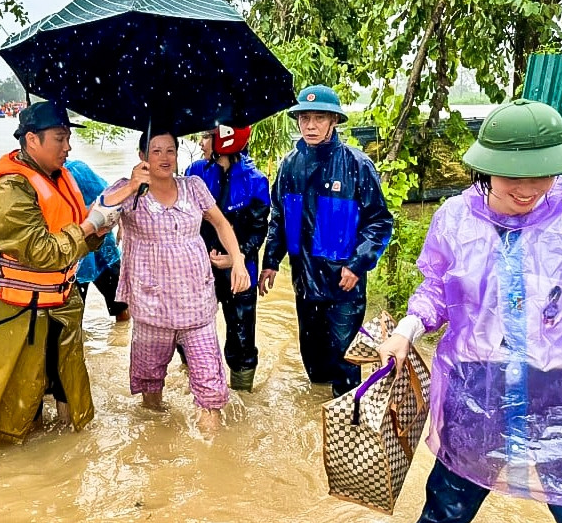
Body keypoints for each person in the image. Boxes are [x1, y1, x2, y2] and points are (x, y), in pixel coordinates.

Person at [378, 99, 562, 523]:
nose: (529, 188)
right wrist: (407, 330)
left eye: (543, 174)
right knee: (444, 514)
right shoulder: (455, 220)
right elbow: (437, 288)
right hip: (478, 391)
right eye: (514, 176)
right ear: (485, 169)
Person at [0, 101, 114, 443]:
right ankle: (14, 469)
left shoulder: (61, 176)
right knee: (16, 400)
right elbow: (42, 252)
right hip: (13, 308)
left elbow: (74, 236)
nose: (68, 147)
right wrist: (90, 227)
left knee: (66, 387)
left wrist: (101, 225)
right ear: (32, 140)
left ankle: (64, 461)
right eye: (60, 138)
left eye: (68, 138)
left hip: (57, 302)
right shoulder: (9, 189)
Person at [102, 131, 250, 431]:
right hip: (150, 302)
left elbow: (220, 223)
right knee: (150, 385)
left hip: (195, 300)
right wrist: (132, 186)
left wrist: (238, 260)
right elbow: (98, 216)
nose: (165, 158)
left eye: (171, 150)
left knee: (210, 385)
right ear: (142, 155)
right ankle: (158, 449)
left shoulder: (193, 187)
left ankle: (213, 455)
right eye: (156, 151)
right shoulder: (127, 192)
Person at [260, 85, 393, 397]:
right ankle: (314, 423)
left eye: (319, 118)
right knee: (315, 369)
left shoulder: (357, 165)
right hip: (304, 284)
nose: (310, 126)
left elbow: (379, 221)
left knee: (346, 366)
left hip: (343, 286)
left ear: (334, 121)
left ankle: (347, 423)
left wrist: (357, 264)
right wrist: (270, 263)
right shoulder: (290, 165)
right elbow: (278, 217)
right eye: (304, 118)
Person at [184, 125, 270, 391]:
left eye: (207, 136)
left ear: (226, 140)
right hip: (200, 270)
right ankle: (193, 383)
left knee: (242, 338)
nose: (200, 143)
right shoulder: (194, 172)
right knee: (189, 332)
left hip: (241, 270)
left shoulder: (255, 181)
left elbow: (259, 229)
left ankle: (243, 394)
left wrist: (237, 258)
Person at [63, 159, 130, 322]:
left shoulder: (76, 170)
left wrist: (121, 224)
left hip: (103, 252)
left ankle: (120, 341)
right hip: (71, 257)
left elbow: (109, 197)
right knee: (72, 317)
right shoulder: (37, 179)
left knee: (121, 305)